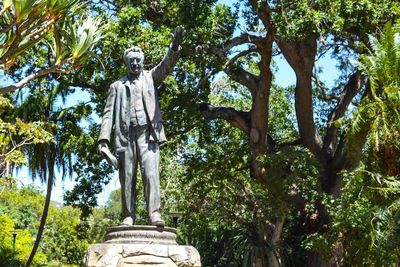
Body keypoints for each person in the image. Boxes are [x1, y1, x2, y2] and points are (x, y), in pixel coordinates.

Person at [98, 27, 183, 226]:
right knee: (127, 177)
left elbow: (166, 66)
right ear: (126, 63)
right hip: (125, 136)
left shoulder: (151, 78)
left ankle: (154, 214)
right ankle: (128, 216)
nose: (135, 63)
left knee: (151, 174)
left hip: (148, 134)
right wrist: (103, 141)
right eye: (131, 61)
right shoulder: (116, 86)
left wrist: (175, 47)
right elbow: (108, 115)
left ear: (142, 62)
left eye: (138, 60)